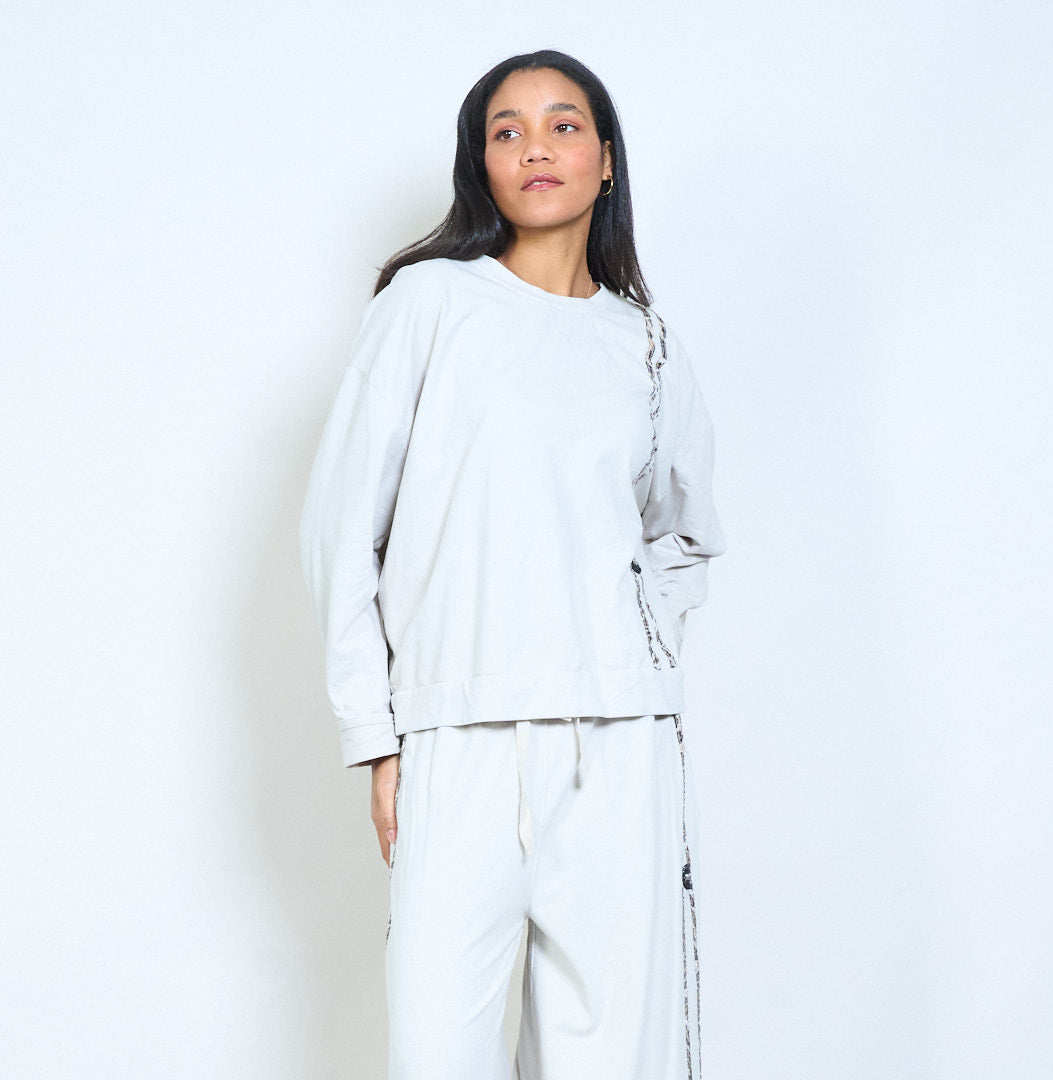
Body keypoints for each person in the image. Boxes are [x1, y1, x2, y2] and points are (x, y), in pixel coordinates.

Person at [299, 48, 725, 1080]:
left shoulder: (645, 344)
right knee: (437, 1054)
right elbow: (340, 527)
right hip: (458, 738)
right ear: (480, 164)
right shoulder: (428, 306)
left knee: (616, 1062)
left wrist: (628, 646)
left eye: (563, 125)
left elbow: (683, 531)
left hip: (621, 746)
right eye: (507, 130)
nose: (536, 147)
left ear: (607, 159)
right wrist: (376, 732)